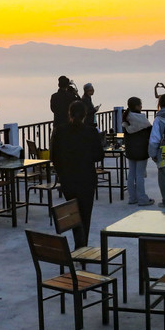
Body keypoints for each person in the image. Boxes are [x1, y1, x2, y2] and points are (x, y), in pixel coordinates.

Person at [50, 100, 104, 243]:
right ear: (85, 115)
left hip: (68, 180)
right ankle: (82, 246)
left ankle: (79, 245)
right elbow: (99, 155)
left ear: (69, 114)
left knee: (73, 214)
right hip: (87, 179)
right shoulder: (91, 132)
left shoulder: (60, 131)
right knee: (85, 215)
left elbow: (54, 157)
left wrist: (62, 173)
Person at [122, 96, 154, 206]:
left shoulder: (126, 118)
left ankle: (132, 197)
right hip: (141, 150)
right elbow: (150, 131)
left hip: (130, 150)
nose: (141, 106)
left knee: (131, 174)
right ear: (136, 106)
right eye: (140, 104)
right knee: (140, 175)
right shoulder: (142, 119)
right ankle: (142, 198)